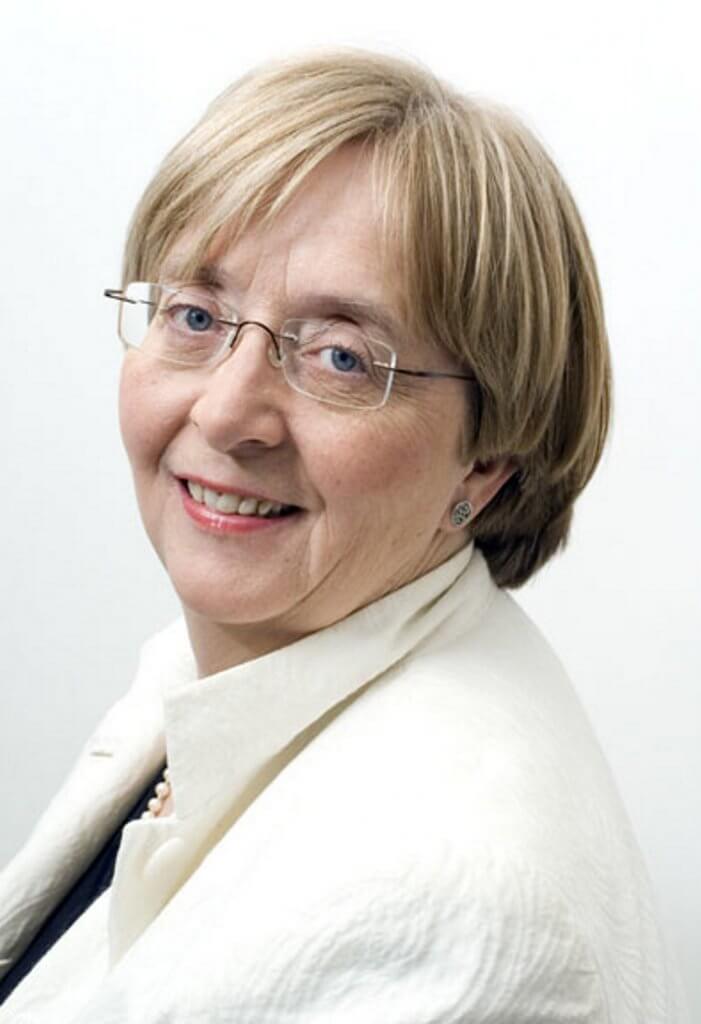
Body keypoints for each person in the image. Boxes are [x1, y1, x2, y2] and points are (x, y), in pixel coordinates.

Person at [0, 49, 688, 1022]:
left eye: (340, 357)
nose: (226, 411)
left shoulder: (450, 909)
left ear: (484, 462)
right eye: (195, 314)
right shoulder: (234, 669)